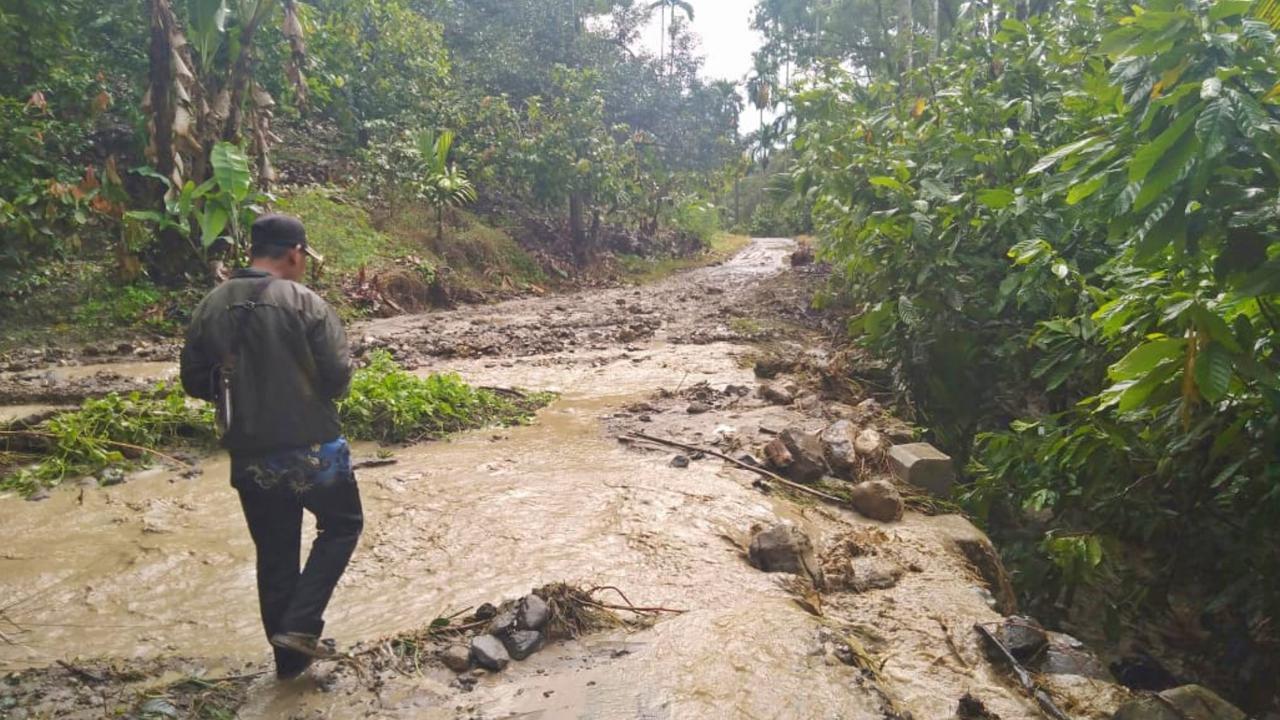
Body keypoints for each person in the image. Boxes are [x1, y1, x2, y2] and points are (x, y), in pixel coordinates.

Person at [180, 213, 363, 680]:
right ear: (294, 253)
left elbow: (194, 381)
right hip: (314, 449)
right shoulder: (305, 302)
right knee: (342, 526)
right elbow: (338, 379)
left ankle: (289, 664)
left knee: (276, 551)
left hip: (250, 452)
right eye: (304, 258)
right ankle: (301, 625)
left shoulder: (211, 305)